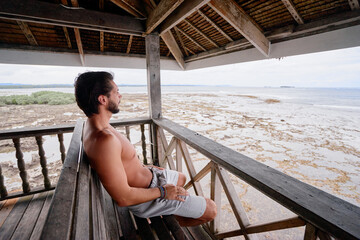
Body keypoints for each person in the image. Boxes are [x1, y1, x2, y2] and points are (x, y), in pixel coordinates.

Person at [74, 71, 217, 226]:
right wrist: (163, 192)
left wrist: (147, 168)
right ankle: (168, 219)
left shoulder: (94, 124)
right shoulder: (103, 140)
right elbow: (123, 198)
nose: (120, 96)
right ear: (102, 99)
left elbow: (122, 163)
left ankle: (169, 209)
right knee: (211, 210)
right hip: (146, 197)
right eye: (116, 92)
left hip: (151, 177)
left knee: (181, 177)